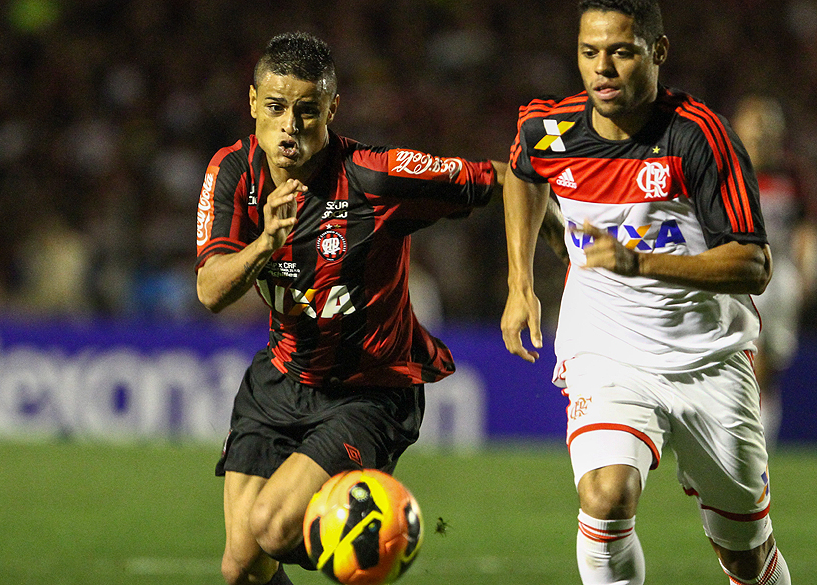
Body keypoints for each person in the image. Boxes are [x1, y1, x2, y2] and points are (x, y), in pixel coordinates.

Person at [195, 32, 507, 585]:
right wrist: (265, 242)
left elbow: (500, 178)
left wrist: (537, 259)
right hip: (280, 380)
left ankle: (390, 534)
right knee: (241, 567)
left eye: (307, 110)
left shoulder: (375, 177)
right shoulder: (232, 171)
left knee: (271, 528)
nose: (290, 124)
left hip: (368, 393)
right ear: (252, 104)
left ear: (332, 110)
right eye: (275, 107)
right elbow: (211, 291)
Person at [501, 2, 792, 584]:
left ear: (657, 53)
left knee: (745, 553)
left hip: (706, 358)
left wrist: (642, 261)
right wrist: (520, 281)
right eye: (589, 53)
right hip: (606, 348)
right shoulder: (550, 129)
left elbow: (753, 263)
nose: (602, 68)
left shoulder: (698, 136)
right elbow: (522, 171)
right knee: (606, 498)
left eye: (621, 52)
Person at [731, 95, 817, 450]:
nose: (761, 139)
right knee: (747, 361)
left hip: (777, 277)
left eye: (767, 131)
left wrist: (805, 273)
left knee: (767, 368)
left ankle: (759, 435)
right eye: (754, 131)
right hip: (734, 274)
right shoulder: (727, 170)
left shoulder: (790, 174)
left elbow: (803, 227)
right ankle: (743, 435)